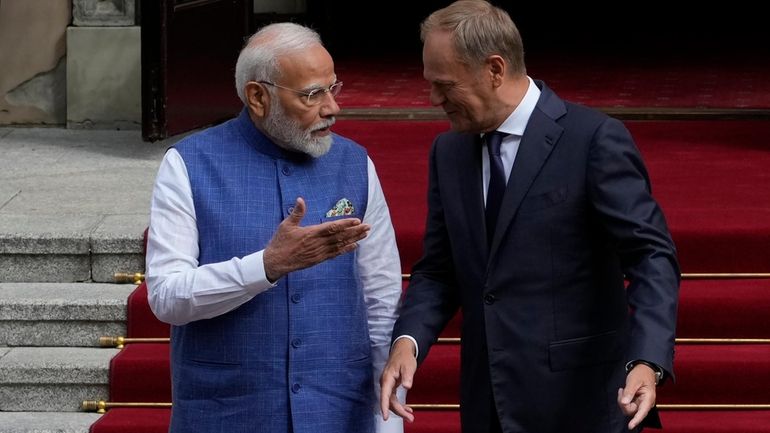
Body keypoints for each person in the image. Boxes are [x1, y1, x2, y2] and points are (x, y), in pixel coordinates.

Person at [379, 2, 680, 432]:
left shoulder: (591, 139)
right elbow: (440, 269)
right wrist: (408, 341)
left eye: (445, 85)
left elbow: (652, 256)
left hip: (580, 403)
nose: (433, 100)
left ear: (495, 69)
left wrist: (647, 359)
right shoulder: (448, 152)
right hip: (488, 404)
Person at [145, 22, 404, 433]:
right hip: (226, 413)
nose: (332, 108)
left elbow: (382, 296)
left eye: (332, 88)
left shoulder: (355, 165)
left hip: (337, 412)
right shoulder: (190, 165)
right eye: (312, 95)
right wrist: (264, 266)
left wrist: (387, 419)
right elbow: (166, 296)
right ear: (258, 96)